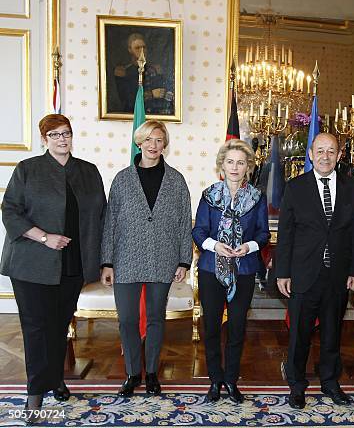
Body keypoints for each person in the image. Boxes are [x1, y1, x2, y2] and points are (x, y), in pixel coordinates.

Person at [0, 114, 106, 421]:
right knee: (36, 329)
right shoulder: (28, 169)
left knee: (60, 327)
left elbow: (101, 217)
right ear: (44, 139)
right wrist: (44, 237)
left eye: (67, 133)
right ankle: (35, 394)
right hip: (31, 265)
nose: (62, 139)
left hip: (73, 265)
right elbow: (11, 212)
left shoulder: (88, 171)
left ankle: (55, 378)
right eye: (55, 134)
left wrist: (103, 261)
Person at [100, 120, 192, 397]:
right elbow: (110, 223)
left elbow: (183, 223)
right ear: (138, 143)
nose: (154, 146)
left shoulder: (176, 180)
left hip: (162, 259)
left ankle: (151, 373)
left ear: (165, 145)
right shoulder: (122, 179)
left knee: (155, 319)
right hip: (125, 259)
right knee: (127, 319)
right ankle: (132, 373)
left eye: (159, 140)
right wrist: (107, 261)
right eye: (149, 140)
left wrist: (183, 261)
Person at [275, 132, 354, 409]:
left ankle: (329, 382)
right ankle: (297, 385)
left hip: (337, 275)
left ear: (339, 156)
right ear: (311, 155)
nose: (325, 156)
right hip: (303, 273)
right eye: (320, 151)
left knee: (332, 334)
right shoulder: (296, 187)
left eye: (331, 151)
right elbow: (286, 234)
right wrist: (282, 272)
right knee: (299, 335)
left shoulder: (353, 187)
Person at [192, 139, 270, 404]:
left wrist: (247, 247)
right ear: (221, 166)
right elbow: (199, 230)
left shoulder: (257, 198)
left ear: (248, 166)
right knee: (211, 326)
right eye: (230, 162)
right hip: (211, 268)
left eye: (240, 162)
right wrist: (216, 246)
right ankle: (215, 380)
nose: (235, 167)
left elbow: (263, 233)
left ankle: (231, 380)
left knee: (237, 327)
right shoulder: (209, 195)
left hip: (244, 269)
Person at [113, 33, 174, 115]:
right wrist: (151, 94)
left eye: (144, 47)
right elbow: (127, 101)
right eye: (137, 48)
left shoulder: (155, 69)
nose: (142, 51)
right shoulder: (123, 71)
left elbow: (165, 91)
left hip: (155, 114)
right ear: (130, 50)